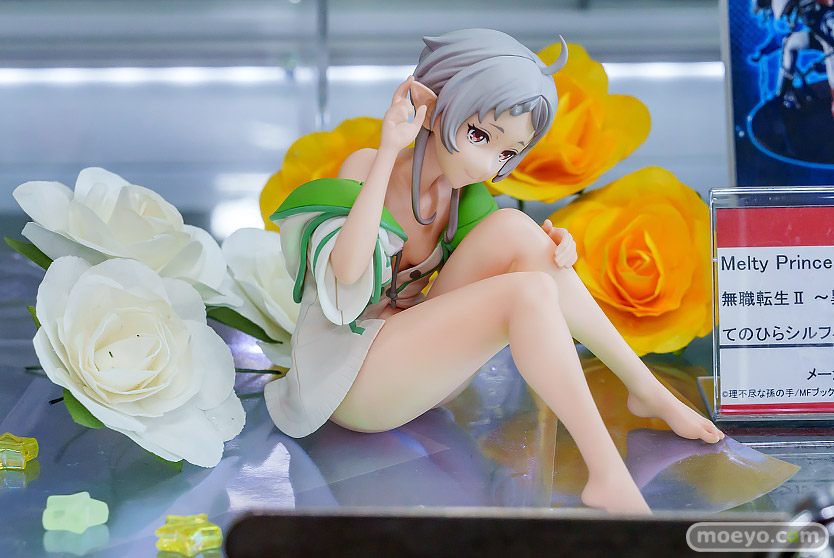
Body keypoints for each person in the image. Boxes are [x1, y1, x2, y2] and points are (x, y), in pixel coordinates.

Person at [265, 28, 724, 515]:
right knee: (525, 292)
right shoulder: (366, 166)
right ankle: (606, 473)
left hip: (418, 372)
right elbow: (347, 270)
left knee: (519, 231)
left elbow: (518, 254)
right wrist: (388, 148)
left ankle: (644, 388)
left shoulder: (462, 199)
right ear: (429, 108)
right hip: (351, 385)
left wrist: (556, 250)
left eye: (507, 153)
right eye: (479, 136)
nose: (488, 164)